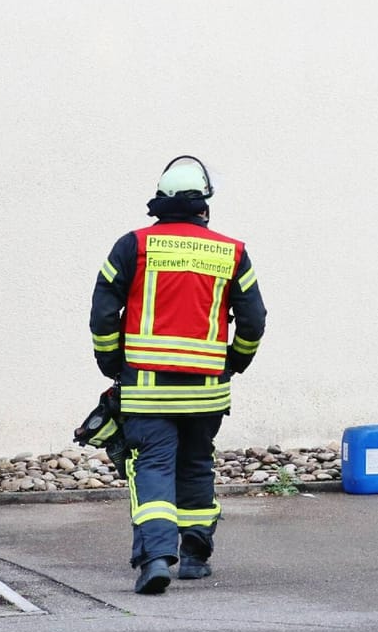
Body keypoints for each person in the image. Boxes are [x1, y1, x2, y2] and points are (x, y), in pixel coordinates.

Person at [90, 156, 265, 594]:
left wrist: (112, 362)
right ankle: (194, 555)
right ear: (204, 205)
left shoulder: (133, 246)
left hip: (147, 392)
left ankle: (155, 558)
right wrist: (235, 361)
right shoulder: (232, 252)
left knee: (152, 468)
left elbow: (103, 313)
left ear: (161, 202)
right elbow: (254, 319)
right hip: (206, 392)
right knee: (196, 465)